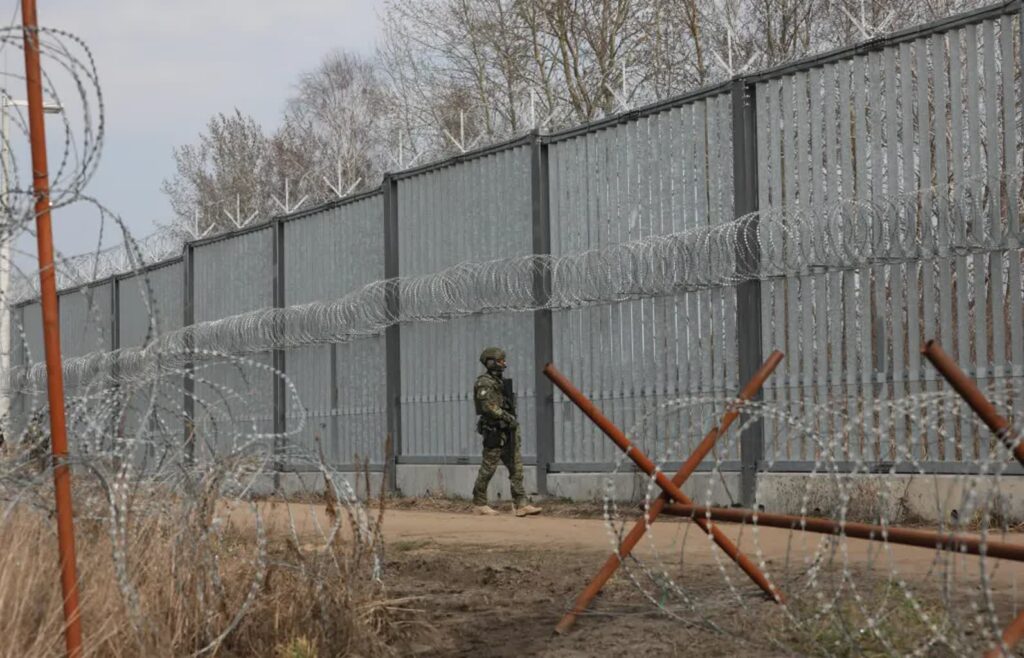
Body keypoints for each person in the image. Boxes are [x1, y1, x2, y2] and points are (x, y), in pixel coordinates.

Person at [472, 347, 541, 517]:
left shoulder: (500, 382)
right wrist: (505, 416)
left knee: (516, 468)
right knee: (488, 468)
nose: (504, 363)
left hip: (508, 430)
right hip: (495, 431)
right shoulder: (484, 382)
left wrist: (510, 419)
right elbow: (487, 406)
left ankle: (521, 504)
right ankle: (479, 503)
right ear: (490, 362)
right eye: (500, 360)